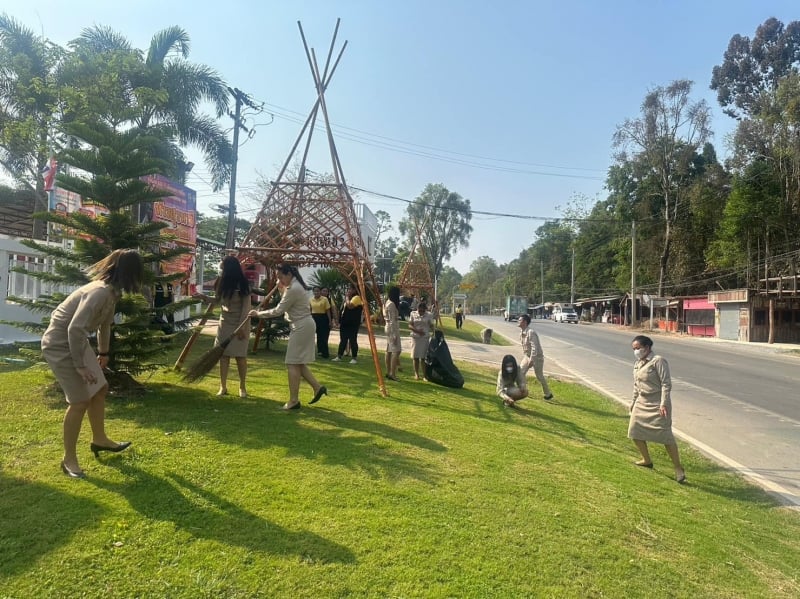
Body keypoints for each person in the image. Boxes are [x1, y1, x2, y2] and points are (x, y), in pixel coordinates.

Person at [41, 249, 144, 478]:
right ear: (130, 272)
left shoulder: (112, 292)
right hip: (59, 344)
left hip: (76, 342)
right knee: (79, 401)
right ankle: (69, 460)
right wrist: (80, 366)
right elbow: (74, 328)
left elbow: (104, 325)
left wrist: (104, 352)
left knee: (100, 388)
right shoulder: (98, 292)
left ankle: (100, 440)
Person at [249, 263, 327, 410]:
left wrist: (258, 314)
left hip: (301, 326)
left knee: (292, 363)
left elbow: (279, 310)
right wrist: (281, 288)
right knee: (297, 363)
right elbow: (287, 303)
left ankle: (293, 400)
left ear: (289, 274)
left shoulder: (294, 288)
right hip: (303, 325)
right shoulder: (293, 286)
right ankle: (317, 387)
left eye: (280, 277)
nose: (279, 280)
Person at [629, 335, 686, 483]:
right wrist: (633, 402)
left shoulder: (658, 361)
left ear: (647, 347)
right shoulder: (638, 364)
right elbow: (636, 385)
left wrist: (663, 403)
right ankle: (646, 460)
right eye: (634, 349)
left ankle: (678, 468)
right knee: (634, 431)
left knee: (665, 436)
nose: (636, 351)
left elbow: (666, 384)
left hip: (657, 403)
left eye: (638, 348)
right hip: (642, 402)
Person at [193, 255, 253, 398]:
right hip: (225, 322)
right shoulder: (222, 282)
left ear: (229, 269)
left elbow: (246, 309)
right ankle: (223, 387)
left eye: (222, 268)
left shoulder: (243, 284)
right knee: (223, 356)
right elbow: (217, 300)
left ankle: (242, 387)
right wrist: (203, 297)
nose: (221, 271)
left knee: (240, 357)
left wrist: (241, 328)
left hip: (241, 323)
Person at [518, 313, 554, 400]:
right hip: (527, 356)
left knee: (539, 376)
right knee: (521, 372)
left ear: (525, 322)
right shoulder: (521, 333)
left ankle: (548, 394)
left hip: (537, 357)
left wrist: (532, 360)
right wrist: (527, 358)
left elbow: (535, 347)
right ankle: (523, 390)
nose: (518, 321)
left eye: (520, 320)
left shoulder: (531, 332)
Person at [332, 284, 363, 363]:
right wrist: (339, 320)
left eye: (350, 289)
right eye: (348, 289)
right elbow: (342, 310)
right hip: (345, 323)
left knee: (352, 340)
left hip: (353, 323)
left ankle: (354, 358)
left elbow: (350, 306)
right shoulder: (348, 298)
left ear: (354, 290)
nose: (348, 291)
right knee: (343, 340)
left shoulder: (356, 298)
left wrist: (346, 298)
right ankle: (339, 356)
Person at [408, 301, 435, 380]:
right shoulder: (413, 313)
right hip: (415, 338)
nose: (421, 312)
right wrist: (417, 331)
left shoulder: (429, 315)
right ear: (417, 309)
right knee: (415, 357)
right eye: (419, 310)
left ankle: (425, 375)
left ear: (425, 310)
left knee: (423, 358)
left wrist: (434, 332)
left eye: (423, 311)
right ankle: (416, 374)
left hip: (424, 338)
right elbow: (410, 325)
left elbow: (431, 325)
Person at [384, 285, 402, 380]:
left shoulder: (387, 302)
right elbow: (392, 320)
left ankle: (388, 372)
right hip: (392, 329)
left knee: (389, 350)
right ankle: (392, 374)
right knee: (396, 350)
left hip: (388, 327)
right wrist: (394, 334)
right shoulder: (392, 304)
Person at [310, 286, 332, 359]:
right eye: (315, 291)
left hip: (323, 318)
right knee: (312, 336)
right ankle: (318, 351)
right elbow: (309, 310)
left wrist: (330, 321)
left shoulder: (324, 299)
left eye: (318, 291)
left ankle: (325, 353)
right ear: (313, 292)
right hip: (313, 318)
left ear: (320, 292)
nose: (316, 292)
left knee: (323, 336)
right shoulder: (310, 299)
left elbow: (328, 311)